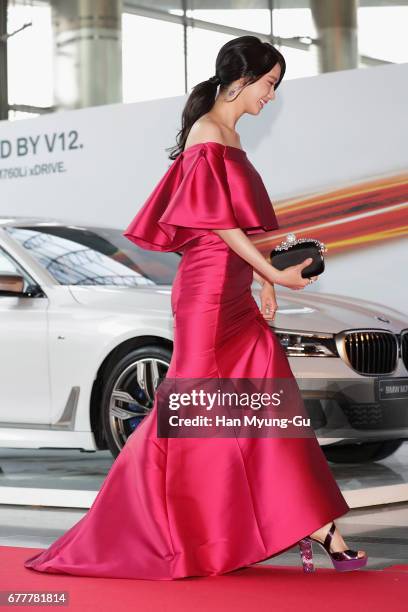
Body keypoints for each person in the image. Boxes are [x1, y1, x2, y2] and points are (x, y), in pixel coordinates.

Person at [24, 35, 367, 580]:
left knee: (268, 402)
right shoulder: (207, 134)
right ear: (241, 79)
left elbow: (247, 225)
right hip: (206, 294)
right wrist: (271, 270)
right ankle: (165, 527)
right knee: (194, 414)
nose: (271, 97)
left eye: (275, 87)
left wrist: (265, 280)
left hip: (235, 291)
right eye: (269, 84)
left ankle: (313, 520)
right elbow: (218, 222)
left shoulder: (230, 137)